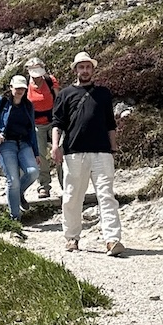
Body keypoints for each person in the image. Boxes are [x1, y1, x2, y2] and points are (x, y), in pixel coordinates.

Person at [51, 51, 125, 256]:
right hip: (74, 152)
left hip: (102, 152)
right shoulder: (65, 94)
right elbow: (57, 123)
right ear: (75, 70)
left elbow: (110, 123)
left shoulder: (103, 93)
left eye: (88, 67)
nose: (85, 71)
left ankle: (112, 240)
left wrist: (113, 147)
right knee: (72, 197)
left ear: (93, 69)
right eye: (81, 67)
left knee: (107, 196)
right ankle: (71, 238)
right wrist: (55, 146)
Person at [0, 74, 41, 221]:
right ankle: (15, 217)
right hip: (5, 144)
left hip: (24, 143)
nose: (20, 91)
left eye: (23, 88)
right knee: (13, 180)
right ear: (11, 87)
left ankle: (18, 193)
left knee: (33, 172)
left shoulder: (28, 105)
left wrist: (36, 152)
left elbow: (32, 129)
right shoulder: (0, 102)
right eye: (17, 88)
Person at [25, 58, 59, 198]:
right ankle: (44, 186)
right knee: (40, 155)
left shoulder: (50, 81)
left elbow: (59, 100)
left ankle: (66, 185)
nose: (37, 77)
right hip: (36, 124)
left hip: (53, 122)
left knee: (59, 151)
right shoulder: (25, 85)